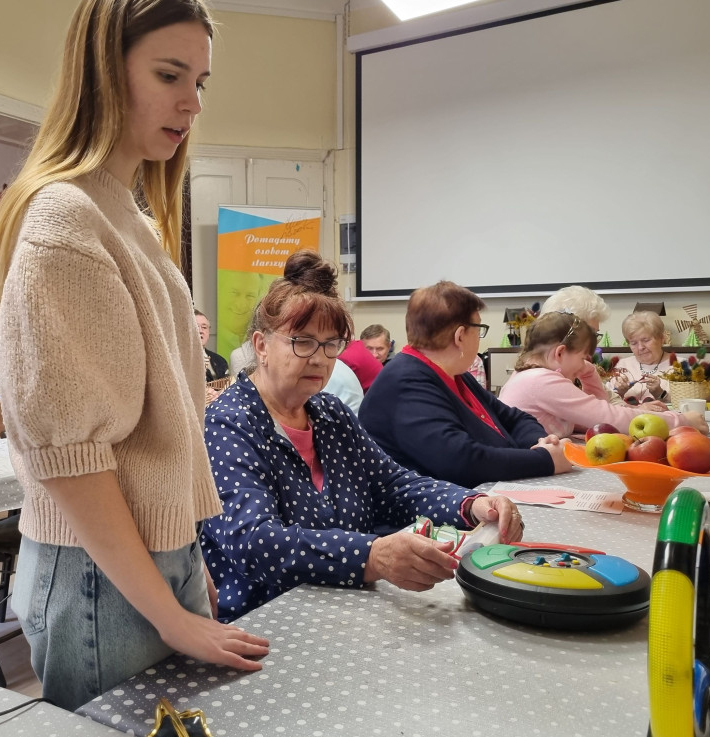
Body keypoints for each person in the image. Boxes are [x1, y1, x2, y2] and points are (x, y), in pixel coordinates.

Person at [0, 0, 268, 711]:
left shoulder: (126, 215)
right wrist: (170, 613)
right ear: (103, 69)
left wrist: (187, 573)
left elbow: (159, 437)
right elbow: (71, 461)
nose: (192, 103)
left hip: (142, 566)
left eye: (198, 82)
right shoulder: (66, 218)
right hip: (99, 578)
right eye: (169, 75)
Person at [201, 252, 524, 622]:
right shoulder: (227, 424)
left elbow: (393, 485)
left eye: (331, 344)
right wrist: (372, 555)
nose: (320, 359)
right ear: (261, 346)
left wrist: (471, 504)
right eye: (303, 342)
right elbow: (252, 542)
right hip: (265, 624)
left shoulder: (330, 414)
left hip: (345, 614)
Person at [359, 281, 570, 489]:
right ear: (460, 336)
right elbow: (460, 461)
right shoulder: (405, 381)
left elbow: (514, 418)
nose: (479, 337)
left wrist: (541, 442)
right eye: (479, 329)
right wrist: (543, 460)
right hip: (426, 516)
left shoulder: (454, 373)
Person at [498, 312, 707, 439]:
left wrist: (588, 372)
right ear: (560, 353)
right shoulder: (540, 381)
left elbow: (597, 418)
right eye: (583, 358)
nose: (585, 364)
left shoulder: (530, 375)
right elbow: (608, 417)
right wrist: (680, 421)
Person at [609, 311, 671, 404]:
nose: (640, 347)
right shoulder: (620, 366)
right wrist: (619, 393)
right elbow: (604, 402)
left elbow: (688, 404)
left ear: (661, 338)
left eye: (646, 340)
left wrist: (660, 393)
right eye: (634, 343)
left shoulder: (680, 367)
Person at [195, 309, 228, 381]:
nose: (200, 331)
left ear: (209, 331)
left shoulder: (220, 360)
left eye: (204, 327)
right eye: (196, 327)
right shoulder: (181, 360)